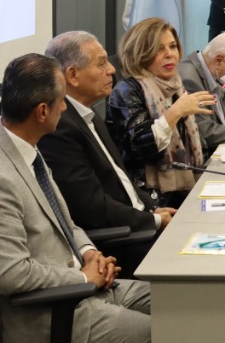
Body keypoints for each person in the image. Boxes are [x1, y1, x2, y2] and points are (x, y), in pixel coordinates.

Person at [0, 54, 153, 343]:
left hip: (82, 288)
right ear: (43, 111)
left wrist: (89, 252)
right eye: (62, 100)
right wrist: (81, 277)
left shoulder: (21, 144)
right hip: (54, 316)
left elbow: (64, 220)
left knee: (178, 303)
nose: (67, 107)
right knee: (173, 337)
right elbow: (8, 275)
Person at [41, 32, 174, 235]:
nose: (111, 69)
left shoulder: (87, 113)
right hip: (123, 237)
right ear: (73, 76)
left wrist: (152, 208)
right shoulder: (60, 128)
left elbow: (121, 178)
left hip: (137, 220)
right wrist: (153, 220)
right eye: (101, 64)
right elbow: (91, 207)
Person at [106, 18, 214, 206]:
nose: (169, 54)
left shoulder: (175, 85)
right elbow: (139, 148)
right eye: (158, 49)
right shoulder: (127, 91)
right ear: (140, 53)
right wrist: (176, 112)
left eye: (173, 46)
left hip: (183, 186)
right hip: (149, 196)